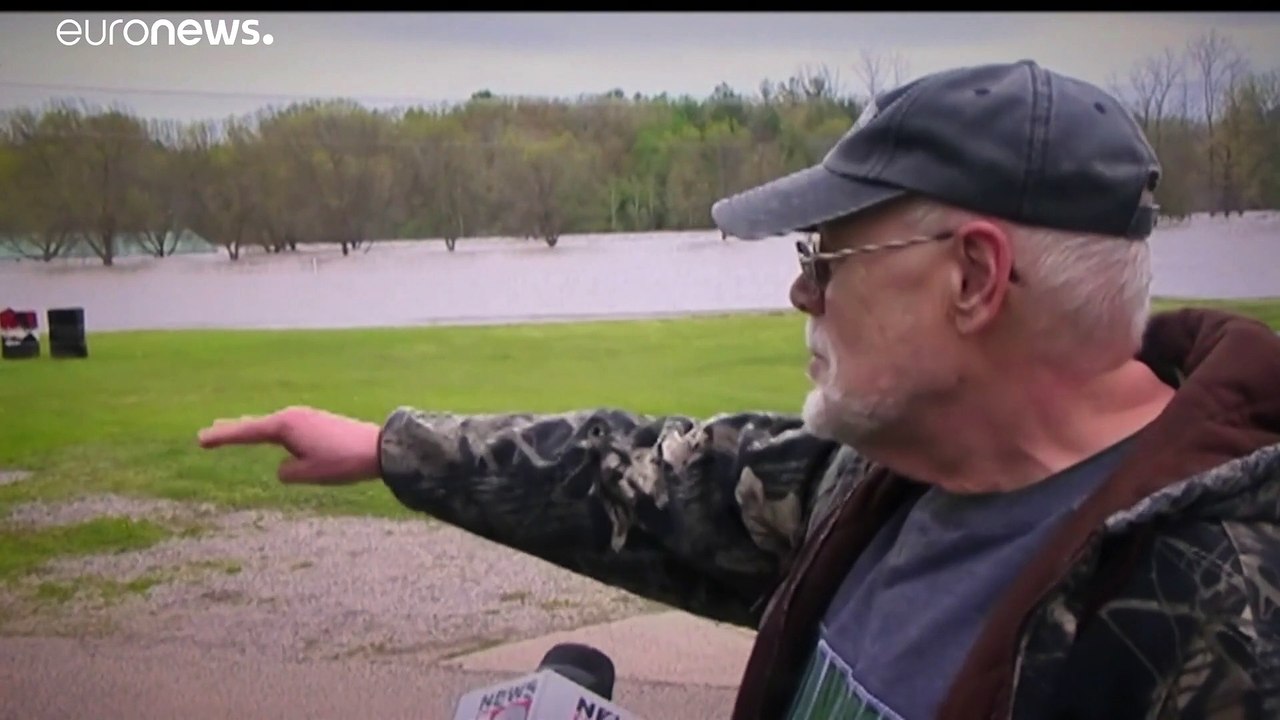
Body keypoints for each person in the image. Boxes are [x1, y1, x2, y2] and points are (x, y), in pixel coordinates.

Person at [197, 60, 1280, 719]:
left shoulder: (1224, 617)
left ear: (973, 275)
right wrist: (389, 446)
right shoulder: (877, 482)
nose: (797, 292)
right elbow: (635, 478)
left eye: (826, 257)